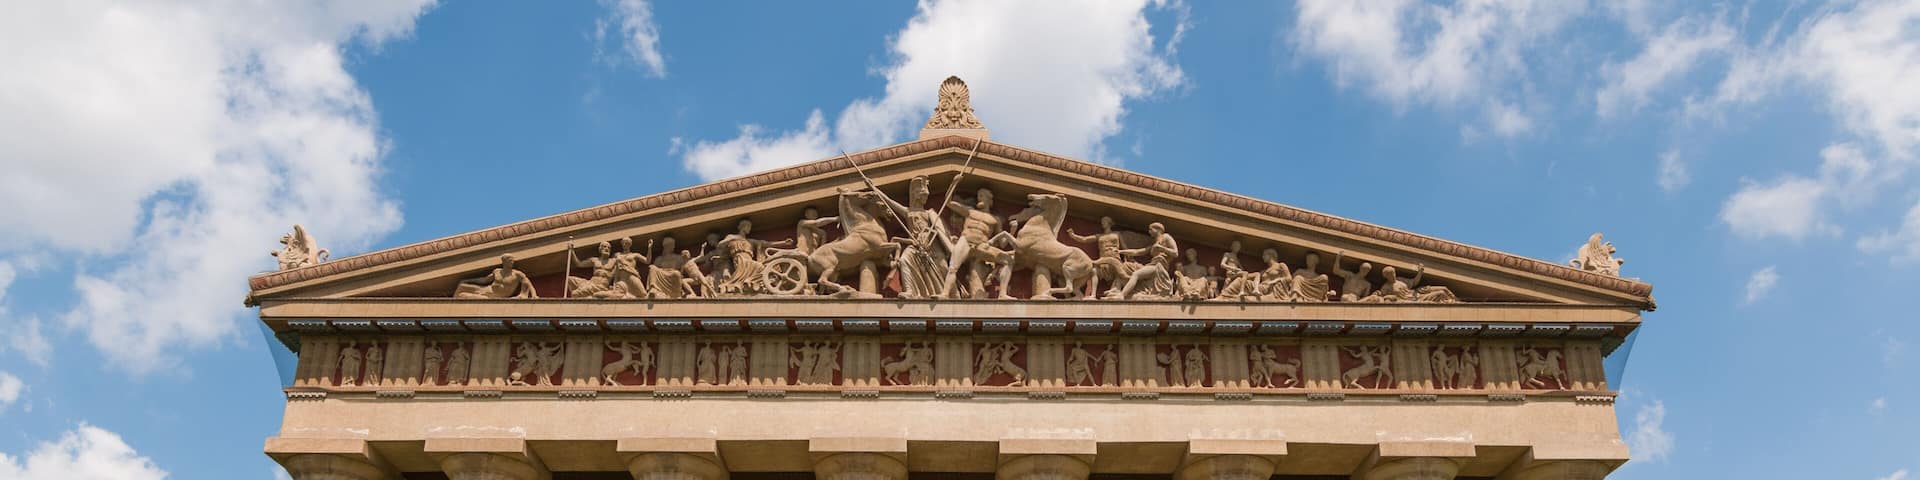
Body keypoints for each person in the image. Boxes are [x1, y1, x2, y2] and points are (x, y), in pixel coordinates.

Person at [944, 189, 1016, 299]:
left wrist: (1012, 230)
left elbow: (1002, 244)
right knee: (953, 267)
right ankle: (945, 294)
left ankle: (1002, 294)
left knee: (1008, 260)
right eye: (978, 196)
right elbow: (948, 202)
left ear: (989, 200)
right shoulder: (970, 211)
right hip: (966, 241)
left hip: (981, 245)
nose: (979, 198)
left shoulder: (995, 220)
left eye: (982, 196)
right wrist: (954, 183)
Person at [1067, 216, 1129, 297]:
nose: (1102, 223)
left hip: (1115, 258)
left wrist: (1129, 257)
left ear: (1110, 223)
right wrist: (1073, 235)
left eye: (1105, 221)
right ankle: (1093, 295)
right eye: (1102, 222)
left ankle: (1116, 291)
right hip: (1102, 260)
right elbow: (1084, 239)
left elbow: (1124, 246)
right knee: (1094, 271)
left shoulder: (1117, 234)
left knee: (1119, 274)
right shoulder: (1099, 236)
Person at [1118, 223, 1177, 299]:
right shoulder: (1153, 244)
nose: (1149, 232)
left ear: (1158, 230)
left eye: (1151, 229)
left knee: (1136, 274)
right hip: (1153, 265)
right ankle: (1123, 293)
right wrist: (1120, 251)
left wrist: (1162, 248)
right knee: (1133, 272)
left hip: (1159, 267)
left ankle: (1122, 295)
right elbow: (1137, 252)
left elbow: (1175, 253)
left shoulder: (1166, 237)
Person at [454, 254, 538, 299]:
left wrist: (534, 295)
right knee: (462, 286)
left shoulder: (517, 274)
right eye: (509, 261)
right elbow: (484, 280)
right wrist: (467, 280)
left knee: (463, 295)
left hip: (496, 296)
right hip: (487, 290)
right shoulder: (497, 271)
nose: (512, 262)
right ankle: (453, 305)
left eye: (512, 261)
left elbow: (528, 283)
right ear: (504, 262)